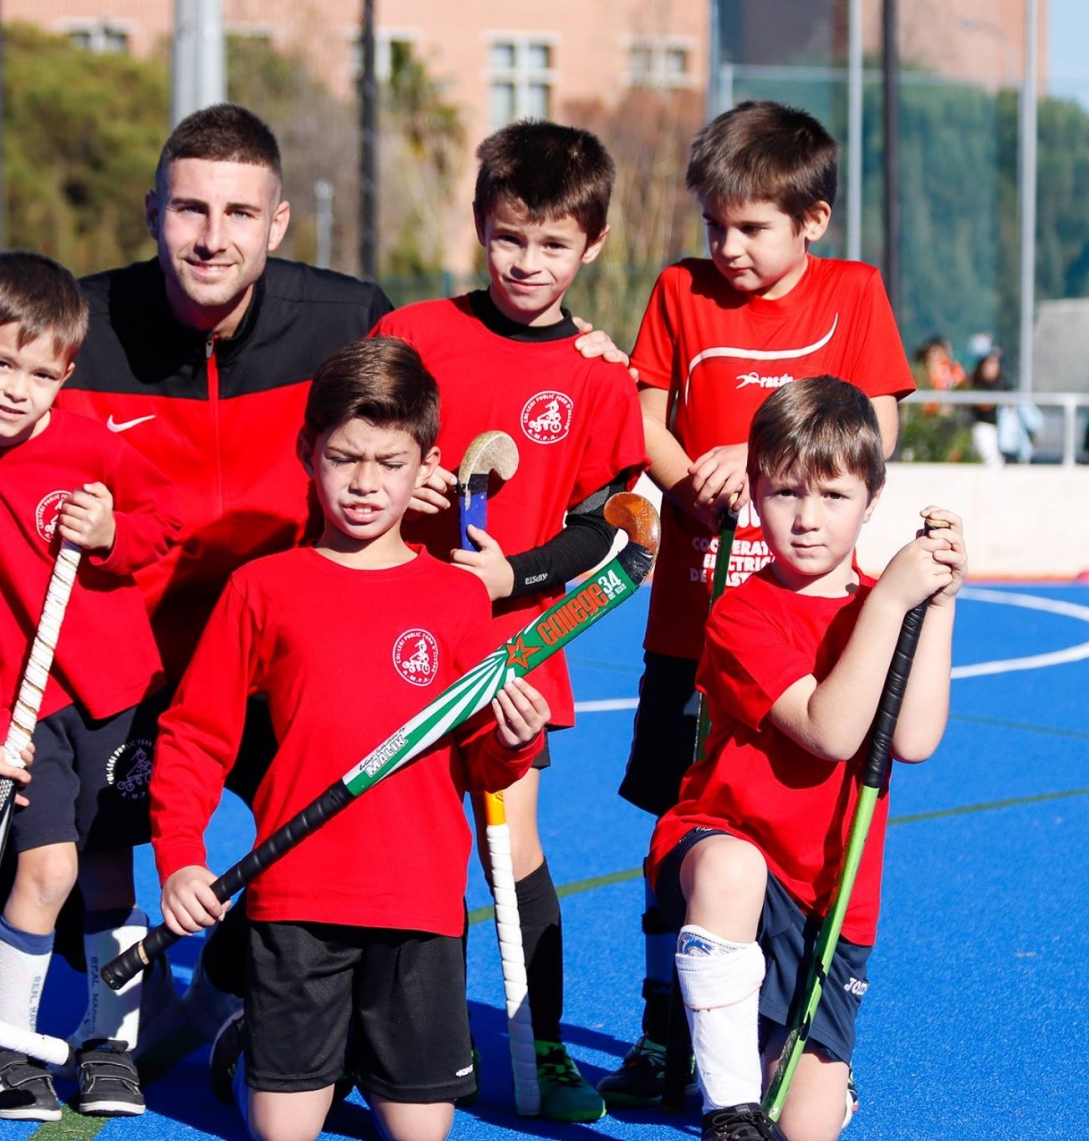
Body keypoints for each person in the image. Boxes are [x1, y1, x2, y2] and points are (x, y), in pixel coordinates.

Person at [0, 102, 631, 1051]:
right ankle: (124, 1008)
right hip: (114, 670)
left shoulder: (350, 319)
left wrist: (583, 348)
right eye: (190, 209)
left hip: (280, 656)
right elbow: (1, 398)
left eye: (239, 212)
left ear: (278, 223)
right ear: (153, 211)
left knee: (351, 827)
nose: (213, 237)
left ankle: (231, 989)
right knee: (35, 843)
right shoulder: (85, 325)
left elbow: (471, 375)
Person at [150, 337, 551, 1141]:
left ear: (427, 465)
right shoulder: (262, 587)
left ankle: (351, 1053)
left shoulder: (456, 599)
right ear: (309, 451)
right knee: (284, 1131)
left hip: (418, 903)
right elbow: (195, 734)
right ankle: (247, 1042)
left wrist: (511, 742)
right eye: (344, 457)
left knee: (420, 1131)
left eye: (391, 462)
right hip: (295, 898)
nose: (366, 482)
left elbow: (480, 762)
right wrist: (181, 854)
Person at [603, 99, 915, 1109]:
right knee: (680, 821)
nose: (727, 247)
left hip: (806, 617)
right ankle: (664, 1028)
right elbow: (646, 420)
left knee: (798, 812)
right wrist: (691, 478)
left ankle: (786, 1025)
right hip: (698, 614)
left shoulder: (853, 293)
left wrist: (766, 454)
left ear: (811, 220)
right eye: (714, 225)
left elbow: (877, 427)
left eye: (751, 227)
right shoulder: (679, 290)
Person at [372, 119, 646, 1123]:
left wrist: (512, 575)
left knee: (510, 838)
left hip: (511, 643)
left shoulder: (597, 375)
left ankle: (544, 1043)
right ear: (480, 226)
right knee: (404, 844)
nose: (528, 263)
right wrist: (397, 488)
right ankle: (420, 1039)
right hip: (392, 633)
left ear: (593, 244)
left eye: (553, 244)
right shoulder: (413, 334)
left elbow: (600, 529)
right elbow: (350, 454)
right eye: (508, 238)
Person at [0, 252, 182, 1119]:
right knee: (47, 868)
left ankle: (109, 1044)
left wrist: (112, 532)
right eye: (0, 363)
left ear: (67, 371)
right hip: (25, 711)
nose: (18, 389)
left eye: (42, 373)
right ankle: (11, 1047)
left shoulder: (90, 445)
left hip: (117, 693)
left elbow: (165, 520)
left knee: (109, 871)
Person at [646, 375, 965, 1141]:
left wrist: (939, 603)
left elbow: (914, 739)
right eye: (786, 492)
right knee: (732, 868)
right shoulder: (741, 614)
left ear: (872, 498)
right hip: (729, 854)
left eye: (833, 495)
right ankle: (728, 1110)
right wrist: (889, 602)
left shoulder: (884, 604)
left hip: (830, 891)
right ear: (756, 489)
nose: (807, 518)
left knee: (806, 1124)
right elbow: (830, 730)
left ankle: (795, 1076)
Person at [967, 348, 1004, 468]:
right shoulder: (975, 384)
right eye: (989, 363)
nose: (992, 367)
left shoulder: (1002, 384)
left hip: (1000, 431)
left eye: (995, 363)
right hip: (982, 428)